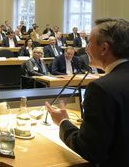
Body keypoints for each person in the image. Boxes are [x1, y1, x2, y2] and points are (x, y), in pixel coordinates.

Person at [46, 18, 129, 166]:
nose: (86, 49)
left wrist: (63, 122)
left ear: (104, 48)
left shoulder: (101, 89)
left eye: (89, 43)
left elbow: (90, 149)